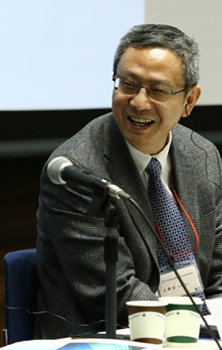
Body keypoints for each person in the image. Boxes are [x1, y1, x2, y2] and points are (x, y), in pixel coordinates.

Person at [35, 23, 222, 338]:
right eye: (128, 84)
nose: (138, 102)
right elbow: (113, 293)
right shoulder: (77, 171)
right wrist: (195, 328)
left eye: (158, 90)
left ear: (189, 100)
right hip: (107, 336)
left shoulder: (203, 156)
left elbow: (217, 271)